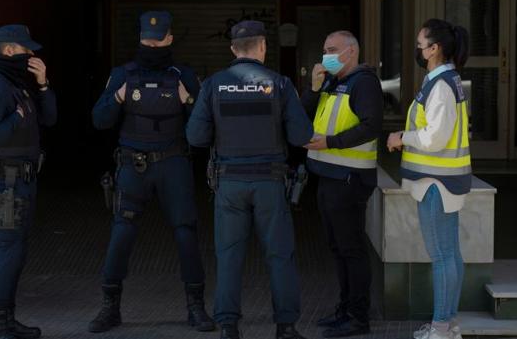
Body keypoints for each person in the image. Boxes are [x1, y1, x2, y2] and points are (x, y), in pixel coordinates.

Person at [186, 20, 313, 339]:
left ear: (232, 49)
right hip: (270, 183)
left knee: (228, 255)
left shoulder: (213, 85)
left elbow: (196, 137)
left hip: (229, 184)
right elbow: (301, 136)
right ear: (263, 47)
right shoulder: (281, 84)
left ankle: (228, 326)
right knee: (280, 255)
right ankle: (285, 327)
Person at [90, 11, 214, 333]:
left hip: (173, 164)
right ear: (140, 39)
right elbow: (99, 120)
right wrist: (117, 97)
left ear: (170, 39)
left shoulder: (184, 75)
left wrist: (188, 102)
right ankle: (109, 307)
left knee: (186, 232)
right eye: (147, 40)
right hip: (134, 165)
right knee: (122, 233)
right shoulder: (122, 75)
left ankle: (196, 307)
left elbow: (204, 129)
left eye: (158, 39)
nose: (153, 45)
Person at [387, 18, 471, 339]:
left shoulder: (441, 86)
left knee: (442, 256)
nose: (418, 49)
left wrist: (401, 137)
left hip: (437, 182)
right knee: (450, 254)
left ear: (434, 49)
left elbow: (435, 137)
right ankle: (448, 325)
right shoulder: (444, 81)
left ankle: (440, 329)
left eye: (421, 44)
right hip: (443, 181)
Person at [0, 24, 57, 339]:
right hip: (7, 183)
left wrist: (44, 84)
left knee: (16, 251)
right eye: (26, 49)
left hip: (22, 181)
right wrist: (19, 114)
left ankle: (7, 321)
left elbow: (50, 119)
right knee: (7, 250)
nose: (31, 55)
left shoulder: (18, 86)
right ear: (9, 50)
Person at [301, 31, 383, 338]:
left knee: (351, 249)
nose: (325, 56)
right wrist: (313, 88)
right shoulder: (333, 82)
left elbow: (372, 125)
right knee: (338, 248)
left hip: (350, 179)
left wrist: (331, 143)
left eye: (331, 50)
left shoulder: (364, 82)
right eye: (324, 50)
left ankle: (358, 318)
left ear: (350, 52)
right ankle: (345, 308)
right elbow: (302, 112)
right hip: (329, 175)